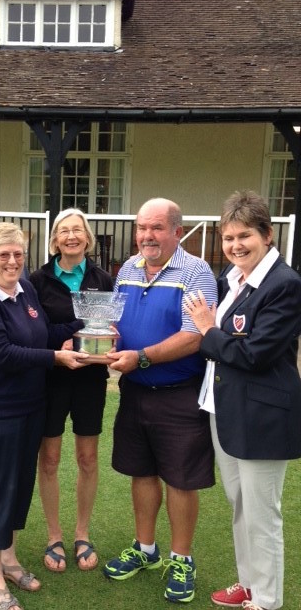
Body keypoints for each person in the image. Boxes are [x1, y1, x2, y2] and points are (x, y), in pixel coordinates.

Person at [184, 190, 301, 610]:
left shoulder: (285, 284)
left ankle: (267, 601)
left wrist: (207, 331)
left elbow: (253, 354)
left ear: (267, 235)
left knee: (262, 515)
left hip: (263, 416)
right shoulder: (231, 279)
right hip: (225, 408)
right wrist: (215, 334)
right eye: (229, 237)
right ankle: (249, 584)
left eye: (245, 236)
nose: (235, 245)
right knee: (240, 506)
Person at [0, 222, 88, 610]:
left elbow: (44, 332)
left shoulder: (26, 290)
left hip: (31, 408)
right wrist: (56, 357)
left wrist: (88, 327)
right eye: (4, 254)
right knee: (0, 492)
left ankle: (11, 560)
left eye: (18, 254)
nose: (13, 261)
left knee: (18, 490)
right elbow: (1, 354)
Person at [103, 197, 217, 604]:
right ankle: (146, 549)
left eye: (155, 228)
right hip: (134, 392)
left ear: (175, 231)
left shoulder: (197, 271)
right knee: (142, 472)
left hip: (179, 394)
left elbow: (195, 335)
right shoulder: (128, 269)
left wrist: (143, 357)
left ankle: (181, 558)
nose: (146, 236)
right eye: (141, 228)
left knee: (182, 479)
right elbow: (114, 320)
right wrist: (100, 341)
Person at [30, 208, 113, 572]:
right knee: (48, 459)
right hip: (52, 378)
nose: (71, 236)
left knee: (87, 458)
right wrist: (63, 341)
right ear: (55, 239)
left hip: (91, 378)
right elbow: (34, 330)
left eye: (77, 230)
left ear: (87, 236)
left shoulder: (102, 278)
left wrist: (110, 345)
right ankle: (53, 536)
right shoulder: (38, 280)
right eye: (64, 231)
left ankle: (81, 533)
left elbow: (109, 325)